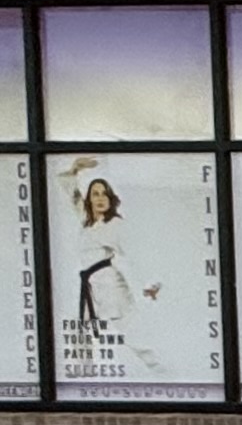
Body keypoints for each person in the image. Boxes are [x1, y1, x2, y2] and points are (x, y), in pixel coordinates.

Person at [58, 155, 164, 376]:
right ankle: (81, 377)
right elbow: (70, 191)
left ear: (111, 198)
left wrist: (149, 283)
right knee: (83, 333)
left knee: (132, 334)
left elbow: (134, 254)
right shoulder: (86, 219)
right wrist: (75, 169)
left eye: (104, 194)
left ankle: (162, 371)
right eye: (95, 194)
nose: (100, 198)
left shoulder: (116, 225)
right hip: (90, 285)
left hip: (110, 284)